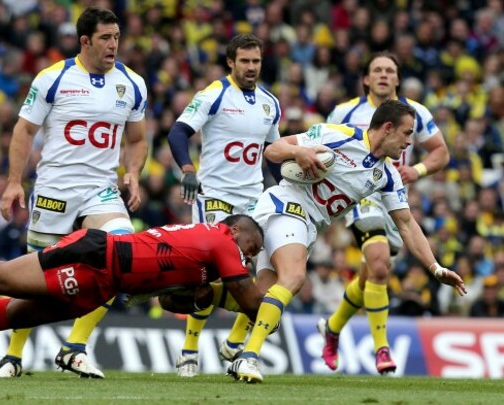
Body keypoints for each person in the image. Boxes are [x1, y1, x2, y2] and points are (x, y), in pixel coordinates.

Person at [226, 100, 466, 383]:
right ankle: (249, 357)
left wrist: (436, 268)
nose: (408, 142)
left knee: (263, 293)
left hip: (307, 225)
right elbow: (273, 150)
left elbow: (406, 224)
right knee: (294, 277)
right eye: (406, 133)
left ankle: (232, 344)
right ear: (388, 128)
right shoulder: (339, 135)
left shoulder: (387, 176)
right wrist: (298, 152)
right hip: (285, 206)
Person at [0, 215, 266, 373]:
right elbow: (249, 302)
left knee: (19, 315)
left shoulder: (208, 260)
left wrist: (200, 296)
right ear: (235, 232)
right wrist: (272, 302)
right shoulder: (220, 241)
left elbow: (168, 301)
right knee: (0, 278)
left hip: (106, 284)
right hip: (95, 257)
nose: (252, 255)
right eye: (253, 244)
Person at [0, 6, 148, 379]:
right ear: (85, 41)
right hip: (54, 190)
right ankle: (13, 356)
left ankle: (74, 347)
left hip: (101, 190)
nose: (113, 45)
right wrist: (14, 182)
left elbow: (138, 138)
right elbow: (24, 131)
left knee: (121, 258)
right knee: (33, 280)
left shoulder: (133, 83)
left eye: (117, 37)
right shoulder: (53, 78)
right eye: (105, 38)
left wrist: (134, 173)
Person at [320, 52, 450, 374]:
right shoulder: (345, 111)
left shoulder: (415, 112)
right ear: (366, 78)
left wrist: (416, 171)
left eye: (389, 70)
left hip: (394, 197)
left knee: (370, 275)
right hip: (360, 197)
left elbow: (441, 152)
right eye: (376, 69)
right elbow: (325, 148)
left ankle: (333, 328)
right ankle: (382, 349)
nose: (382, 75)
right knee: (378, 263)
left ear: (397, 78)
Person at [167, 33, 281, 377]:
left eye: (256, 61)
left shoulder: (270, 103)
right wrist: (188, 169)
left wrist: (286, 189)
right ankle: (189, 351)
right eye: (244, 61)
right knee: (209, 272)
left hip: (253, 198)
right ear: (231, 62)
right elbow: (177, 132)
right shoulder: (214, 94)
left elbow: (272, 155)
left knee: (265, 270)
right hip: (215, 195)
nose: (251, 67)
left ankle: (235, 341)